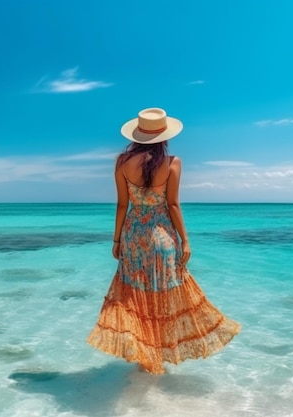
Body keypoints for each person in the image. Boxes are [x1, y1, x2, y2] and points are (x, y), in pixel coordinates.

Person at [87, 108, 240, 374]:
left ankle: (146, 358)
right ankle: (156, 356)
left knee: (136, 296)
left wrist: (116, 240)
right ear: (164, 136)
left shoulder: (122, 162)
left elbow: (123, 204)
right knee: (163, 294)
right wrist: (186, 240)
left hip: (134, 237)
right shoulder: (173, 163)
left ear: (138, 135)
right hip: (162, 239)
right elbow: (172, 204)